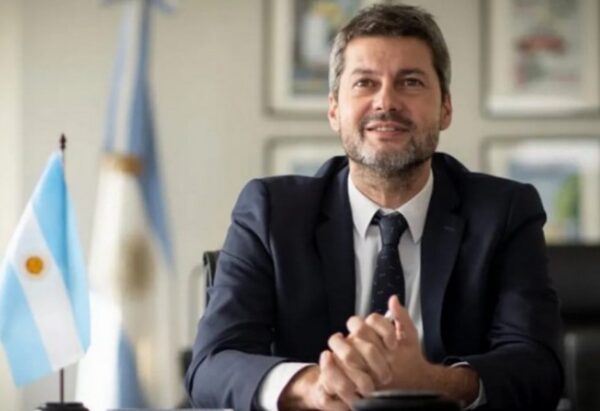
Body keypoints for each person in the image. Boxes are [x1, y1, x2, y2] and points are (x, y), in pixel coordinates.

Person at [185, 4, 563, 411]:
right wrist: (313, 386)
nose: (386, 101)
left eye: (411, 82)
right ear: (334, 109)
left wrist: (433, 382)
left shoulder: (504, 212)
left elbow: (538, 367)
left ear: (446, 108)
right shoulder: (271, 213)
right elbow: (212, 365)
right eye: (365, 82)